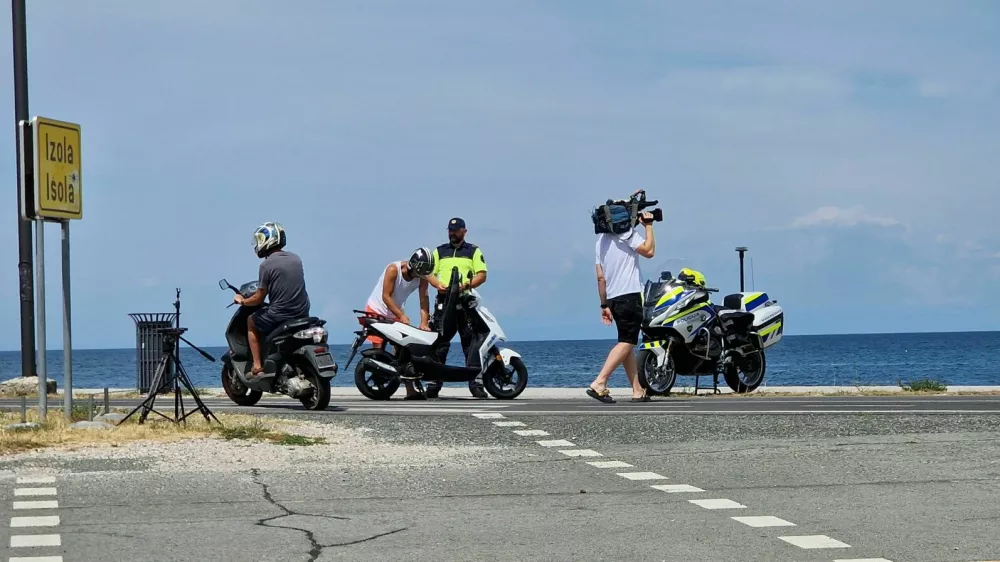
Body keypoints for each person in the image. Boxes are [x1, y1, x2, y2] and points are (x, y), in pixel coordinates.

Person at [587, 210, 657, 403]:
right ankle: (599, 382)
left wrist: (603, 304)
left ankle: (637, 390)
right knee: (627, 342)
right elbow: (649, 251)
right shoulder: (628, 235)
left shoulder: (600, 241)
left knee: (627, 341)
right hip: (630, 295)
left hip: (612, 298)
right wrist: (649, 226)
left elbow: (600, 277)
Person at [234, 222, 311, 378]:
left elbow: (258, 298)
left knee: (251, 321)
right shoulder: (296, 259)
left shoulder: (266, 265)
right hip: (302, 311)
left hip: (280, 314)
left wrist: (242, 301)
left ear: (266, 241)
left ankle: (257, 366)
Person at [424, 217, 489, 399]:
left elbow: (482, 275)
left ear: (464, 231)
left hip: (464, 303)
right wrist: (437, 284)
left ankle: (475, 383)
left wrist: (466, 285)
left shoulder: (473, 251)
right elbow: (429, 273)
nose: (452, 233)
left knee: (470, 344)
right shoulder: (439, 251)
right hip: (444, 303)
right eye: (450, 231)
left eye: (456, 230)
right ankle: (434, 383)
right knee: (439, 343)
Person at [363, 248, 434, 399]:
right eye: (420, 272)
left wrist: (424, 322)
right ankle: (379, 384)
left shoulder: (422, 276)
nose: (422, 276)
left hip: (396, 311)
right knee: (379, 348)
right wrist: (401, 315)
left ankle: (410, 390)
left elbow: (424, 299)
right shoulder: (393, 269)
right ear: (413, 265)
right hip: (377, 309)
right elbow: (386, 296)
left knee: (404, 349)